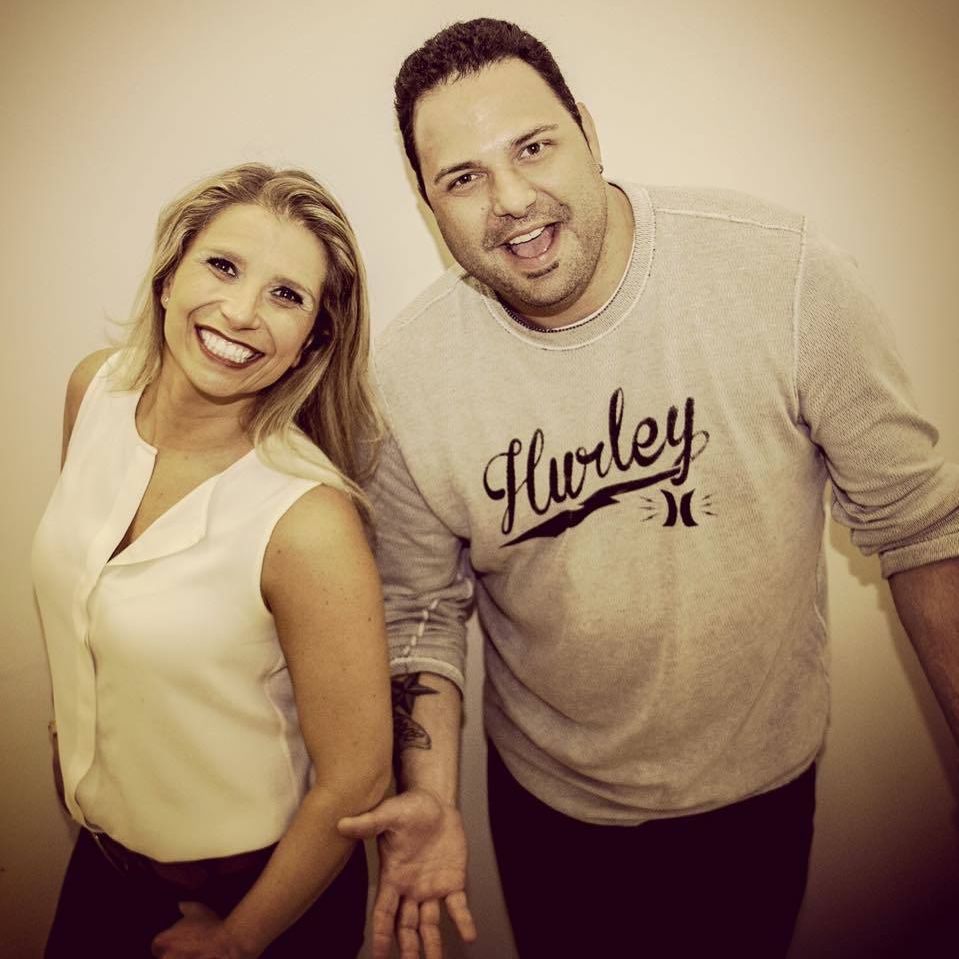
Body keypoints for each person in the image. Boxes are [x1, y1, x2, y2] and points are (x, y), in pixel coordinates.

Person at [336, 17, 959, 959]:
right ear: (429, 205)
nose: (511, 200)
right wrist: (425, 792)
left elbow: (919, 527)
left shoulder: (780, 276)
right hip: (550, 810)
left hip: (758, 794)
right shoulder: (409, 379)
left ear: (588, 130)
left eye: (533, 146)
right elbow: (419, 610)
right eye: (462, 178)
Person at [33, 163, 393, 958]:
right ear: (168, 277)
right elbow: (89, 590)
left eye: (286, 295)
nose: (240, 311)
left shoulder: (309, 521)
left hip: (257, 897)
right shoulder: (95, 391)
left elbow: (358, 780)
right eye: (223, 265)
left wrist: (238, 936)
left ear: (312, 341)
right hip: (106, 857)